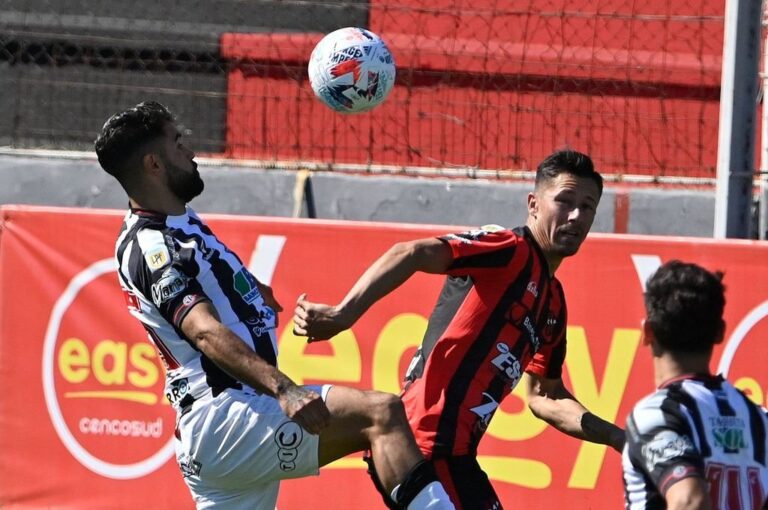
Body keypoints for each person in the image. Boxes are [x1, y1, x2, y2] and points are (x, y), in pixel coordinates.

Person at [94, 101, 455, 510]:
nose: (191, 152)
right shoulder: (151, 244)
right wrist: (285, 389)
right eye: (178, 143)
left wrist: (254, 294)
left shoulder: (178, 220)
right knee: (381, 413)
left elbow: (216, 289)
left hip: (219, 431)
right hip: (227, 415)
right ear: (154, 165)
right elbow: (203, 331)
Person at [292, 148, 626, 509]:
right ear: (533, 204)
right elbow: (412, 252)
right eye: (564, 201)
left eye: (588, 207)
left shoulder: (554, 304)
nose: (576, 216)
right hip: (423, 444)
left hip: (456, 455)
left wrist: (617, 437)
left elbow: (545, 396)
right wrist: (344, 314)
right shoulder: (509, 249)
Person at [623, 261, 768, 509]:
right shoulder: (759, 419)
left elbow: (689, 501)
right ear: (720, 332)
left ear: (647, 332)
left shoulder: (656, 414)